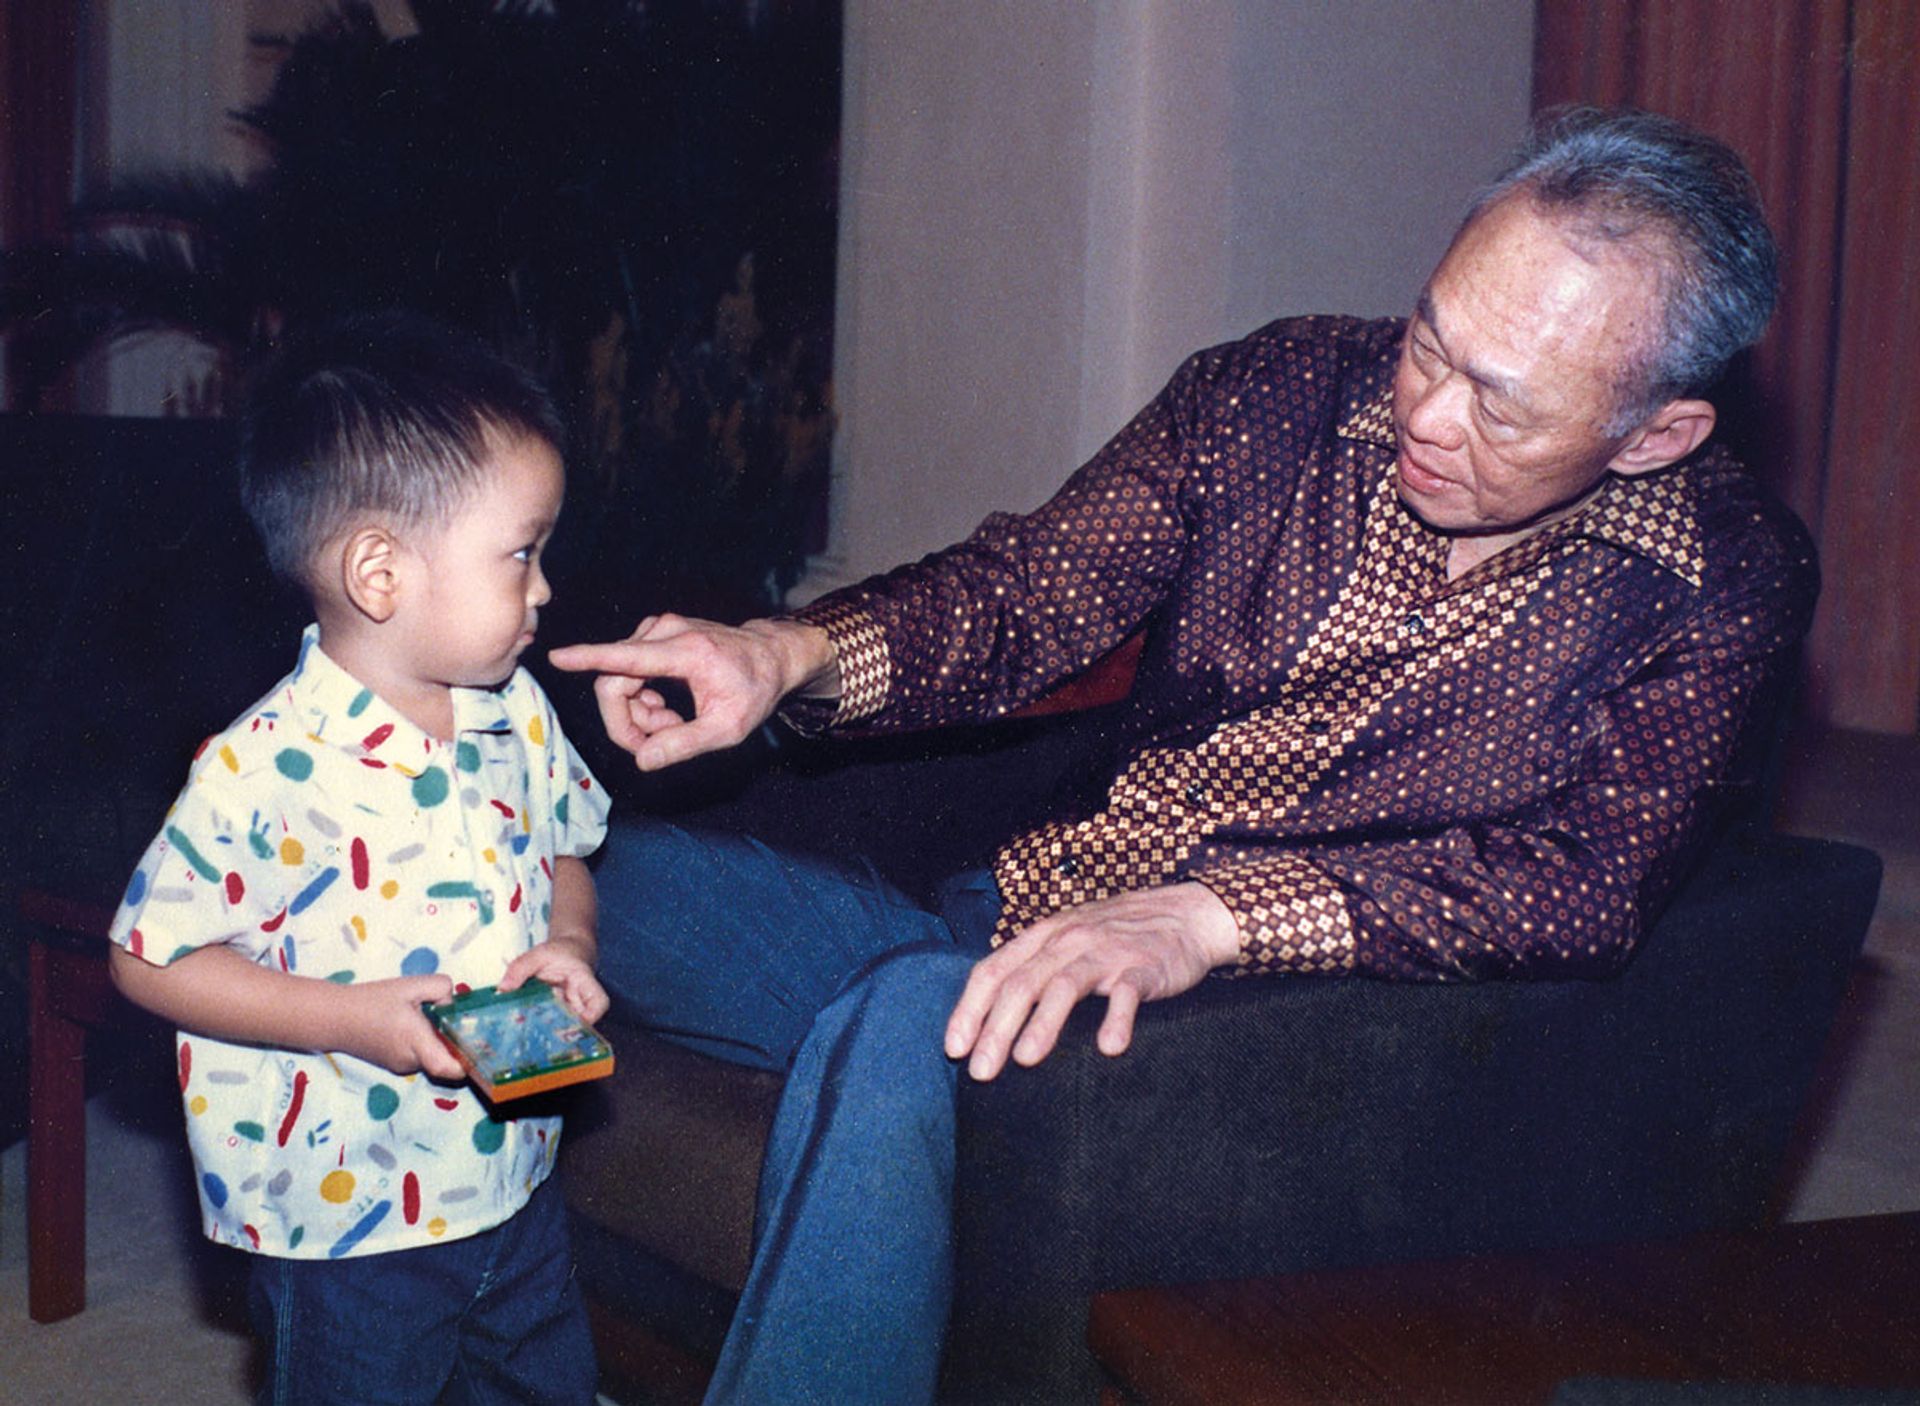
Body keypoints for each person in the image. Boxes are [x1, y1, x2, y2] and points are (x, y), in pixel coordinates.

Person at [552, 107, 1817, 1402]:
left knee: (902, 1019)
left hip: (1225, 1026)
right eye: (1432, 338)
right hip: (991, 924)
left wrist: (1208, 920)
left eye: (1506, 407)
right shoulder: (1280, 394)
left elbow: (1582, 877)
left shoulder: (1719, 582)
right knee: (552, 870)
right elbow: (1027, 594)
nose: (1430, 412)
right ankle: (445, 1266)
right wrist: (788, 656)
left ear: (1657, 432)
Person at [107, 313, 611, 1405]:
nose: (544, 588)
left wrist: (566, 940)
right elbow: (151, 958)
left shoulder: (514, 713)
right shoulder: (266, 768)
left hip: (511, 1177)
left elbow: (568, 842)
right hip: (345, 1222)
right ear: (380, 571)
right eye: (521, 553)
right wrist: (360, 1018)